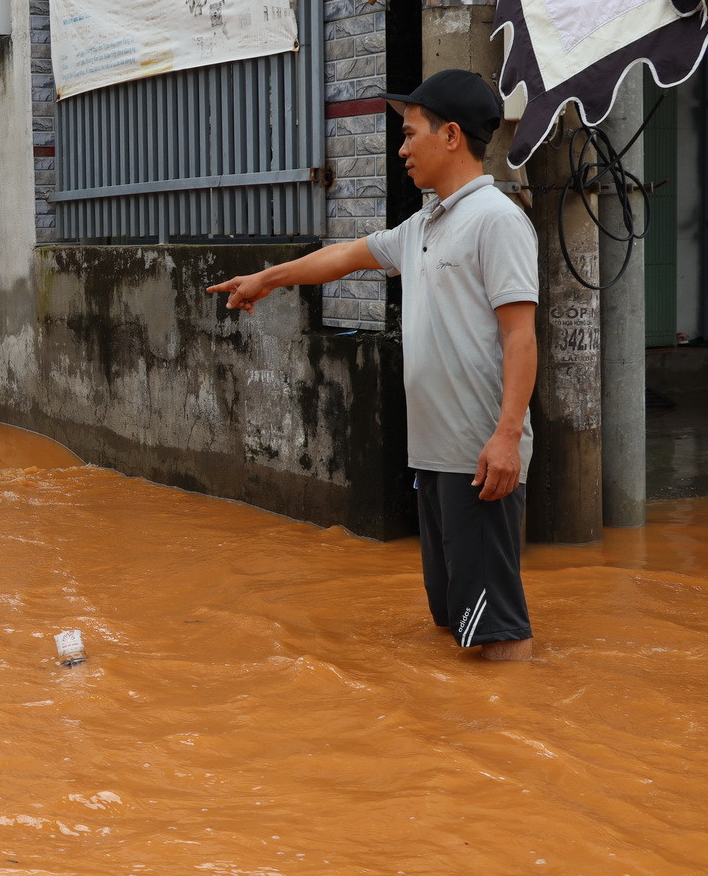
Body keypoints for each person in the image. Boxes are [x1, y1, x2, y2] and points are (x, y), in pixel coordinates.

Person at [207, 69, 539, 662]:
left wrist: (507, 438)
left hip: (479, 456)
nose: (402, 148)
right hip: (435, 457)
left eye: (411, 134)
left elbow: (521, 336)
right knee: (453, 623)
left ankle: (504, 740)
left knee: (498, 637)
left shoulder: (497, 219)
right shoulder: (425, 226)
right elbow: (344, 258)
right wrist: (267, 279)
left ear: (452, 136)